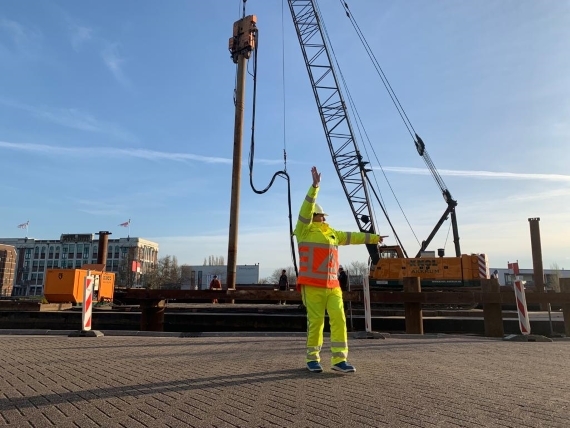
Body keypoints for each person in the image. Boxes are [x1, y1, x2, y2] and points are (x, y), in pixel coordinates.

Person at [294, 166, 383, 374]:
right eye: (320, 216)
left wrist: (374, 238)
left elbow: (353, 237)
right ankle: (312, 359)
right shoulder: (303, 231)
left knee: (339, 319)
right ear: (314, 217)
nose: (323, 218)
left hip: (332, 285)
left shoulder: (333, 234)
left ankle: (339, 360)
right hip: (312, 285)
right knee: (315, 322)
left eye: (323, 216)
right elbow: (305, 210)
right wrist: (315, 187)